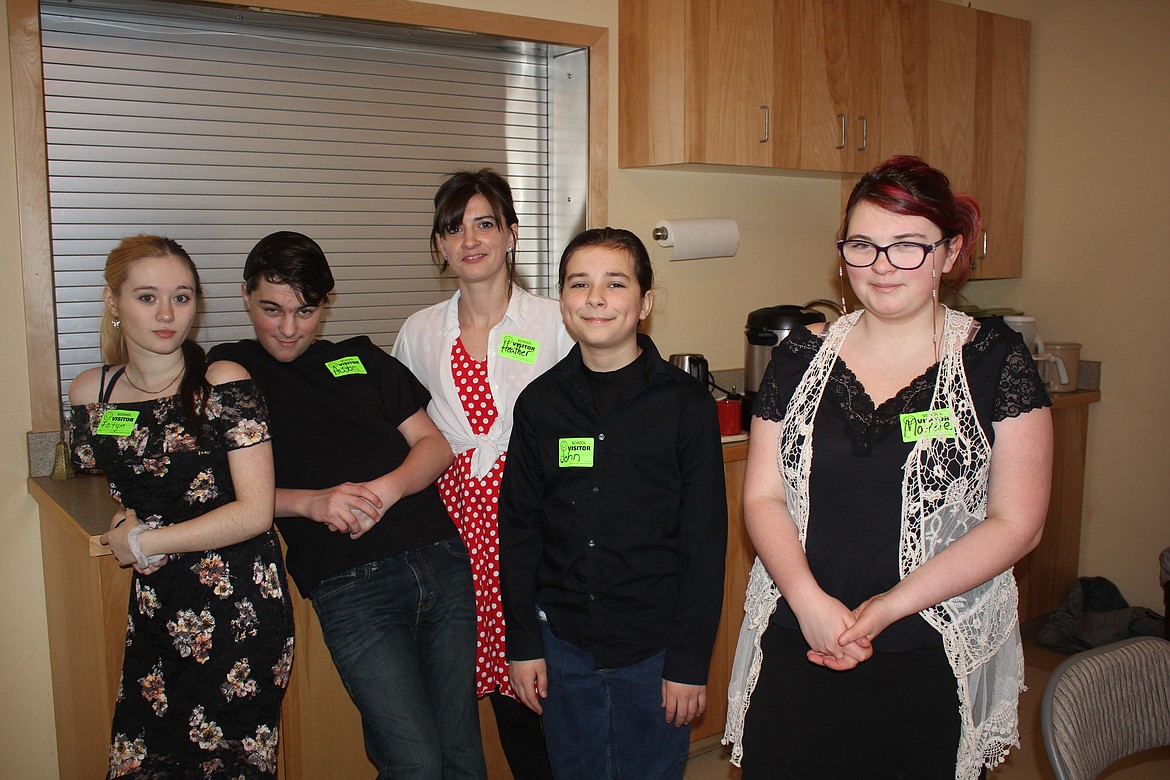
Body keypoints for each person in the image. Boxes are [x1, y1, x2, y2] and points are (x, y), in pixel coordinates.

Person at [723, 156, 1053, 780]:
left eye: (907, 246)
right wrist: (808, 600)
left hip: (926, 651)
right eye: (863, 245)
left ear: (949, 254)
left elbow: (1018, 522)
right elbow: (763, 497)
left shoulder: (994, 360)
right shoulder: (798, 358)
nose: (880, 265)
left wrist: (884, 609)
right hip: (800, 639)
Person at [206, 231, 486, 780]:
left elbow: (435, 446)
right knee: (416, 763)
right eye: (272, 309)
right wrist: (312, 503)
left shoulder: (358, 357)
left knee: (461, 760)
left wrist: (384, 489)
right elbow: (224, 486)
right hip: (353, 583)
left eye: (305, 311)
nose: (289, 328)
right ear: (244, 296)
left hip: (443, 562)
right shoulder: (230, 371)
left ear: (323, 306)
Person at [499, 227, 728, 780]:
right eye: (579, 284)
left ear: (644, 302)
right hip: (563, 649)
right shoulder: (539, 405)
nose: (595, 298)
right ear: (562, 302)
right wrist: (523, 643)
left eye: (615, 283)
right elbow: (520, 528)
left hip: (654, 652)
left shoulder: (685, 405)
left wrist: (689, 664)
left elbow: (704, 543)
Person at [68, 235, 294, 778]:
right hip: (156, 608)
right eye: (147, 297)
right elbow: (107, 480)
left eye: (183, 297)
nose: (168, 314)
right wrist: (123, 518)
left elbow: (255, 511)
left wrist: (145, 541)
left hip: (237, 606)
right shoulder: (90, 394)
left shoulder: (222, 383)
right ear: (112, 301)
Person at [393, 170, 572, 779]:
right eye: (453, 227)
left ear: (512, 234)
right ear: (440, 245)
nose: (470, 239)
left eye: (485, 223)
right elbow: (401, 429)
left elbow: (585, 425)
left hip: (535, 523)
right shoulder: (418, 333)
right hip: (450, 533)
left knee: (549, 681)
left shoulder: (556, 322)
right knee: (477, 690)